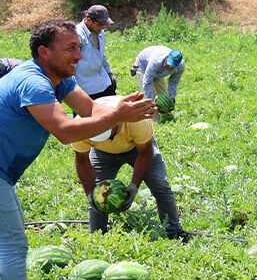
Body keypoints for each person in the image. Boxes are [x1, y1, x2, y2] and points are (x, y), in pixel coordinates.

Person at [0, 20, 156, 280]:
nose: (79, 56)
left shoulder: (60, 78)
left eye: (79, 47)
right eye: (70, 49)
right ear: (44, 52)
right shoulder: (34, 82)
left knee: (3, 231)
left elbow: (89, 109)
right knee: (13, 244)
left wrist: (119, 108)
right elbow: (65, 132)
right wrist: (117, 116)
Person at [71, 94, 190, 242]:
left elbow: (145, 153)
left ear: (115, 123)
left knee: (160, 183)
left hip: (137, 147)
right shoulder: (80, 128)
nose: (108, 139)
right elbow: (82, 160)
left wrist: (134, 186)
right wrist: (90, 193)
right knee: (98, 193)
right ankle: (98, 238)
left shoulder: (137, 119)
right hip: (101, 153)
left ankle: (174, 232)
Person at [74, 4, 118, 99]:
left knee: (114, 106)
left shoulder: (100, 32)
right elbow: (71, 62)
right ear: (89, 20)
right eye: (100, 24)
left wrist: (109, 73)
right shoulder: (77, 35)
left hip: (103, 82)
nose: (102, 27)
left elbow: (101, 55)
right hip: (85, 87)